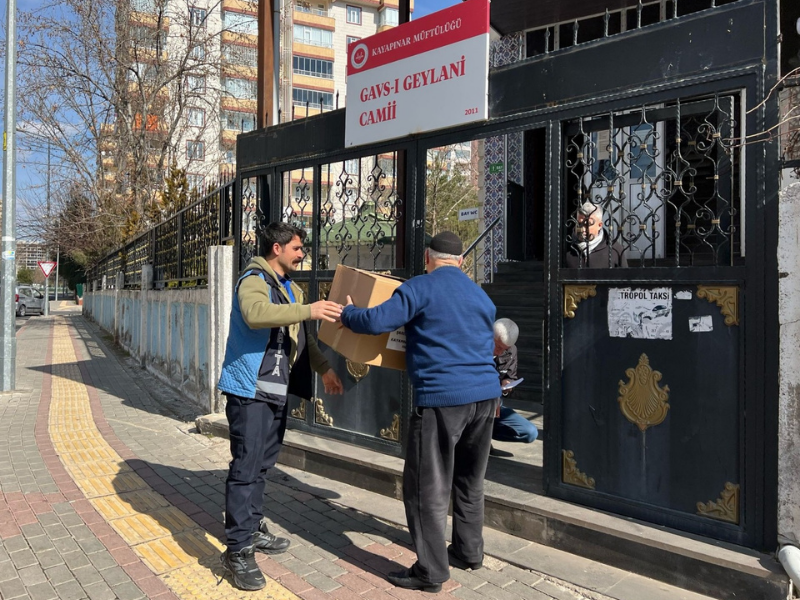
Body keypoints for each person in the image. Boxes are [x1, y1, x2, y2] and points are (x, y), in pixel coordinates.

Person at [340, 231, 501, 593]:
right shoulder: (481, 296)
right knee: (469, 480)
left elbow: (376, 322)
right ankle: (468, 551)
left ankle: (429, 572)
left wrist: (348, 312)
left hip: (443, 398)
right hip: (486, 398)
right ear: (460, 262)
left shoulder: (420, 288)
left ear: (428, 257)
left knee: (426, 487)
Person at [217, 222, 345, 591]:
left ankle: (253, 527)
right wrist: (308, 310)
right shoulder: (253, 279)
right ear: (277, 249)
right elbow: (256, 315)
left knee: (262, 465)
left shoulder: (290, 287)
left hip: (275, 390)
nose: (302, 254)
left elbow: (303, 336)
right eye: (297, 248)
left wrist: (324, 371)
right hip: (249, 390)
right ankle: (237, 550)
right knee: (245, 466)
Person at [490, 318, 538, 458]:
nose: (499, 352)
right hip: (474, 405)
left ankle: (485, 436)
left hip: (496, 405)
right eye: (497, 346)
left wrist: (507, 384)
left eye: (504, 349)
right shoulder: (474, 348)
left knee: (529, 432)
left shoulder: (511, 351)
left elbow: (510, 376)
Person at [565, 201, 628, 268]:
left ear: (599, 225)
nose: (582, 229)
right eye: (579, 224)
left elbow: (625, 277)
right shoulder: (566, 246)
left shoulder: (615, 250)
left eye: (588, 224)